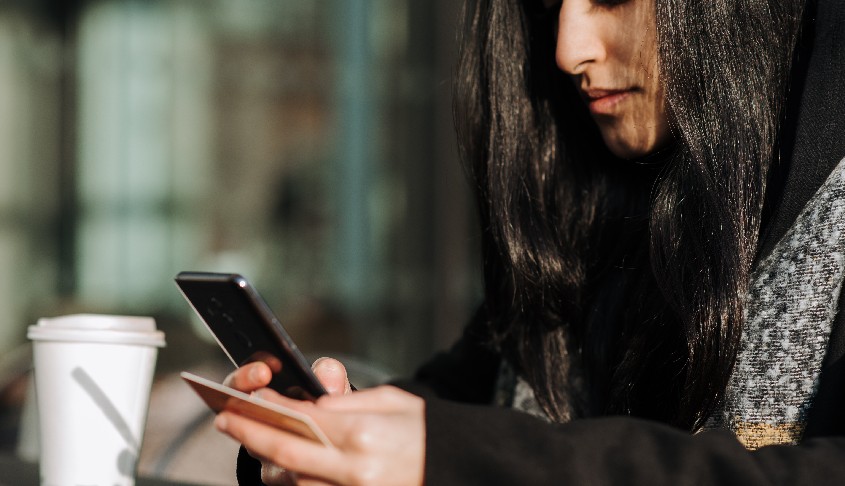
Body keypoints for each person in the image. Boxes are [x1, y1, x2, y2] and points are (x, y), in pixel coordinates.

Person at [215, 0, 845, 483]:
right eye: (549, 5)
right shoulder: (590, 218)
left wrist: (464, 462)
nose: (569, 50)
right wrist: (332, 437)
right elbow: (461, 404)